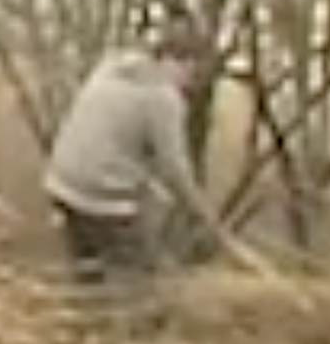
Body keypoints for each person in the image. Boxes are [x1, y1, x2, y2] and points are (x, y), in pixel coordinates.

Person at [42, 27, 219, 286]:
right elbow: (174, 168)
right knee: (146, 281)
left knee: (88, 272)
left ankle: (82, 317)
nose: (190, 83)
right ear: (176, 61)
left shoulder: (110, 67)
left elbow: (112, 137)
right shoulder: (162, 97)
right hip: (101, 196)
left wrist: (149, 185)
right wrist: (202, 214)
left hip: (61, 183)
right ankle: (137, 320)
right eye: (191, 73)